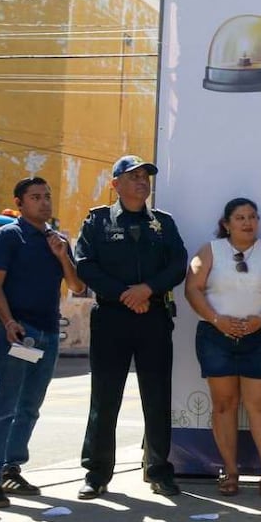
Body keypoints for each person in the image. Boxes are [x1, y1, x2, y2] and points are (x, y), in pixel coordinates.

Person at [74, 155, 188, 499]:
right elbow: (84, 264)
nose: (142, 182)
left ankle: (158, 468)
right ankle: (96, 472)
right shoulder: (97, 221)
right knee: (105, 396)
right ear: (116, 185)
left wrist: (147, 290)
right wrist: (124, 294)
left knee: (156, 395)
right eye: (134, 176)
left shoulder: (163, 223)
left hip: (153, 316)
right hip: (111, 317)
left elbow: (178, 263)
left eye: (145, 177)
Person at [0, 178, 85, 508]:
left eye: (47, 196)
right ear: (20, 203)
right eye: (35, 197)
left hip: (48, 333)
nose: (44, 202)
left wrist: (62, 256)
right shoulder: (7, 237)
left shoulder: (57, 240)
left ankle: (11, 468)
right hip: (17, 333)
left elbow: (77, 286)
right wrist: (8, 322)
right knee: (4, 406)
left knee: (29, 408)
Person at [185, 198, 261, 500]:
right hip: (215, 336)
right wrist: (216, 320)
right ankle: (230, 472)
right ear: (226, 224)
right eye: (240, 217)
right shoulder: (209, 251)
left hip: (259, 338)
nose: (247, 222)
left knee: (259, 406)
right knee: (224, 405)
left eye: (252, 217)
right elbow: (192, 288)